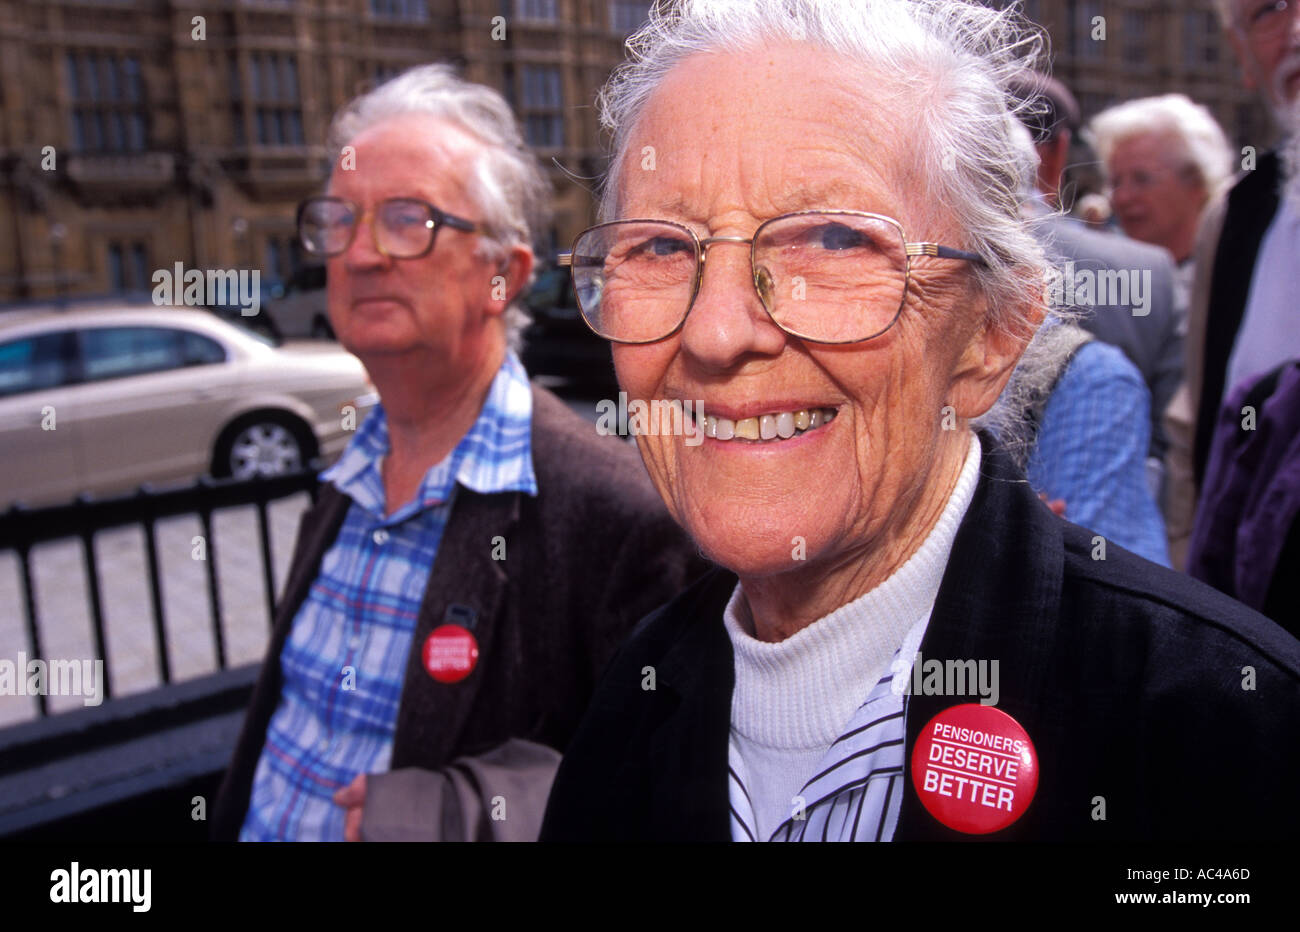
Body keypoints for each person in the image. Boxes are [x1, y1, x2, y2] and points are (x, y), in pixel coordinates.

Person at [540, 0, 1300, 842]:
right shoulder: (630, 700)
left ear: (991, 336)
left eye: (829, 240)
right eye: (660, 246)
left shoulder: (1220, 737)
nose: (717, 332)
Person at [212, 64, 706, 842]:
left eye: (408, 219)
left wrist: (455, 812)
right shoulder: (343, 484)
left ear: (503, 277)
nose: (360, 254)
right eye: (339, 220)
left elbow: (667, 788)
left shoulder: (619, 516)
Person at [1165, 0, 1300, 568]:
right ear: (1243, 57)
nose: (1296, 28)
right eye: (1267, 10)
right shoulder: (1238, 217)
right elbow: (1197, 431)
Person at [1085, 94, 1234, 316]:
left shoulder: (1233, 283)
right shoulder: (1106, 289)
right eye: (1115, 182)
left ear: (1197, 182)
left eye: (1142, 179)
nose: (1122, 197)